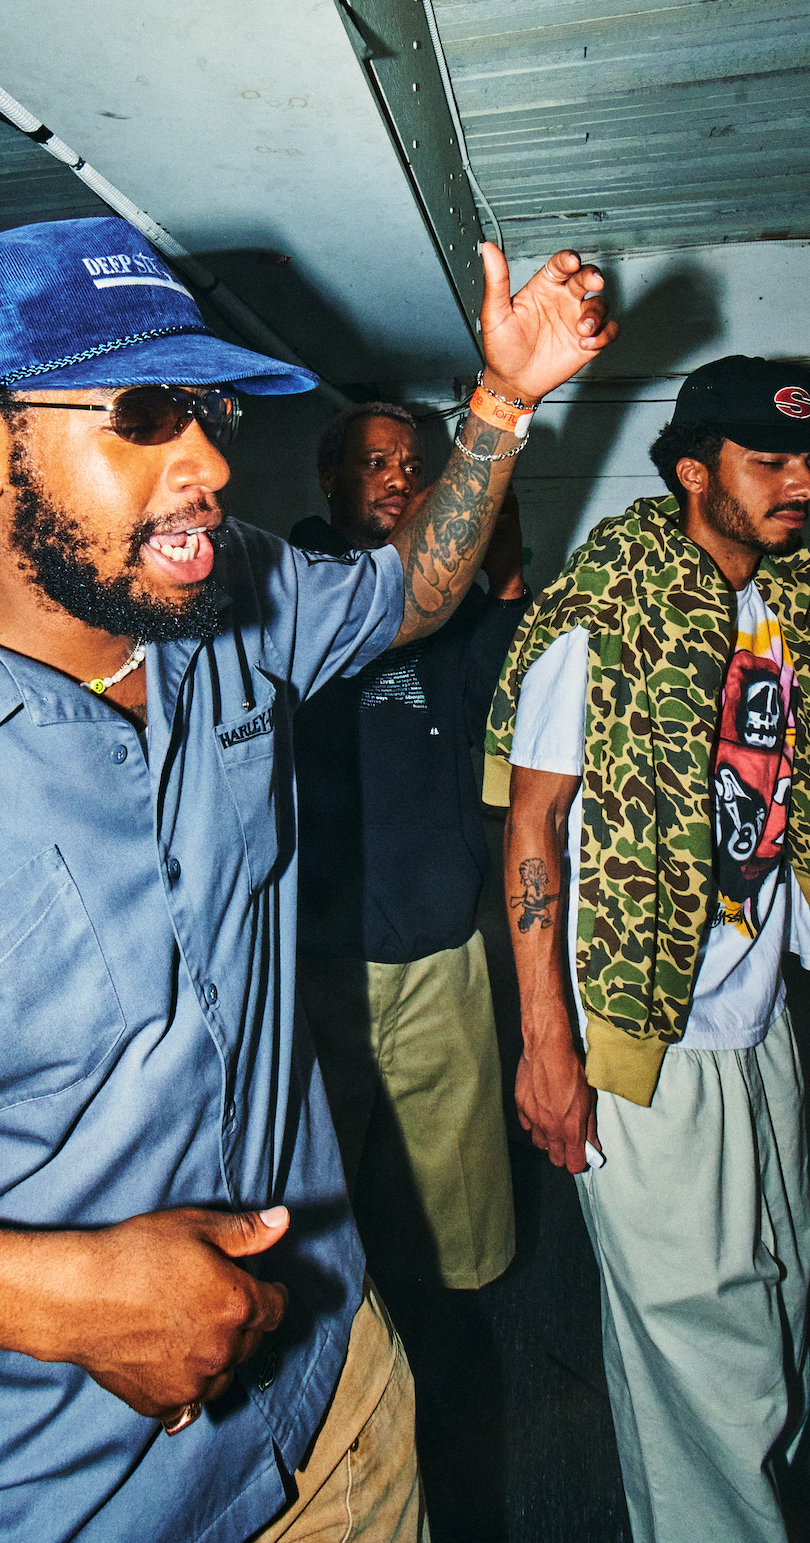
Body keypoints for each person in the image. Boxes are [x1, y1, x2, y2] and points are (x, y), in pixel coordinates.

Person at [0, 213, 616, 1543]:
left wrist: (505, 405)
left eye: (213, 409)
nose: (213, 462)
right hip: (49, 1490)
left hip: (329, 1395)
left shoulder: (228, 600)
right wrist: (54, 1297)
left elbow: (408, 594)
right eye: (150, 411)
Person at [486, 316, 810, 1543]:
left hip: (753, 1007)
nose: (802, 480)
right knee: (693, 1334)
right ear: (691, 469)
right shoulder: (600, 612)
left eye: (808, 460)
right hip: (634, 1027)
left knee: (771, 1289)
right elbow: (532, 835)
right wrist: (544, 1045)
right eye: (768, 460)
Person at [290, 404, 527, 1294]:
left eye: (411, 464)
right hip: (314, 961)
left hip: (438, 948)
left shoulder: (451, 604)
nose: (396, 478)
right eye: (373, 462)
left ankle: (470, 1344)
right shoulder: (291, 584)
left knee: (464, 1211)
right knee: (311, 1210)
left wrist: (503, 574)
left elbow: (503, 703)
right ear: (329, 478)